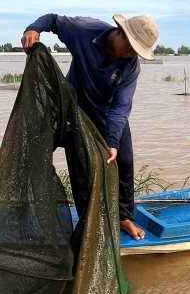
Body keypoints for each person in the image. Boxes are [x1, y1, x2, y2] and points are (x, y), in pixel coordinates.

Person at [21, 13, 159, 240]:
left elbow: (120, 108)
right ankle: (88, 220)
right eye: (132, 48)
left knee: (124, 162)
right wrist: (33, 29)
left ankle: (124, 217)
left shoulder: (131, 66)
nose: (133, 54)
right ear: (120, 33)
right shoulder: (83, 30)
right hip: (75, 111)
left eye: (138, 51)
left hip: (108, 115)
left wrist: (112, 142)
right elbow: (53, 20)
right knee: (80, 168)